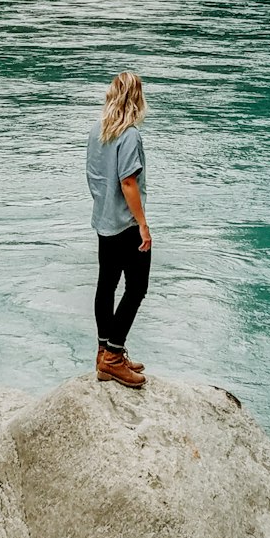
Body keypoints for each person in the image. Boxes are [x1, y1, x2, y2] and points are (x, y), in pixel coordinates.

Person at [86, 71, 151, 389]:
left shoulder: (96, 130)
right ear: (136, 98)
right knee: (136, 288)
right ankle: (113, 358)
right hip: (125, 223)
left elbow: (94, 177)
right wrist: (142, 224)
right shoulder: (130, 135)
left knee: (107, 285)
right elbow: (128, 182)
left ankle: (105, 351)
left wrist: (103, 208)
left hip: (103, 220)